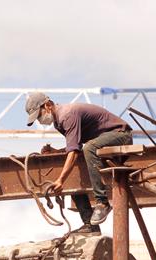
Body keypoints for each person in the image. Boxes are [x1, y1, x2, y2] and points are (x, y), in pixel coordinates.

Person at [25, 91, 133, 231]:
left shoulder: (67, 115)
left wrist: (61, 180)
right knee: (75, 174)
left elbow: (76, 150)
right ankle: (90, 224)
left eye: (39, 116)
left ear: (47, 106)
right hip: (100, 142)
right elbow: (75, 145)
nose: (40, 121)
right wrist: (56, 152)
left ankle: (102, 203)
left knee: (88, 149)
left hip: (121, 135)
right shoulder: (59, 122)